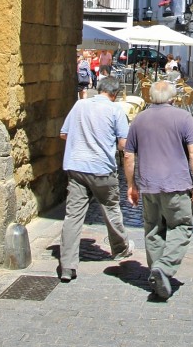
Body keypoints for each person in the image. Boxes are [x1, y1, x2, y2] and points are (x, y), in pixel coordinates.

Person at [123, 79, 193, 300]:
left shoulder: (139, 120)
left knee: (153, 230)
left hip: (149, 186)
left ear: (150, 96)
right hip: (177, 185)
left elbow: (129, 155)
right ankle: (165, 268)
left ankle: (157, 274)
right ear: (172, 96)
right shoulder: (183, 118)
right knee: (181, 226)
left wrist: (131, 185)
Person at [58, 75, 135, 282]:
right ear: (115, 94)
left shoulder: (79, 105)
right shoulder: (115, 110)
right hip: (102, 169)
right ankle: (120, 248)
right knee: (111, 210)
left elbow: (64, 134)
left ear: (99, 88)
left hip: (76, 167)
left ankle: (67, 265)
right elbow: (123, 144)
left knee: (73, 216)